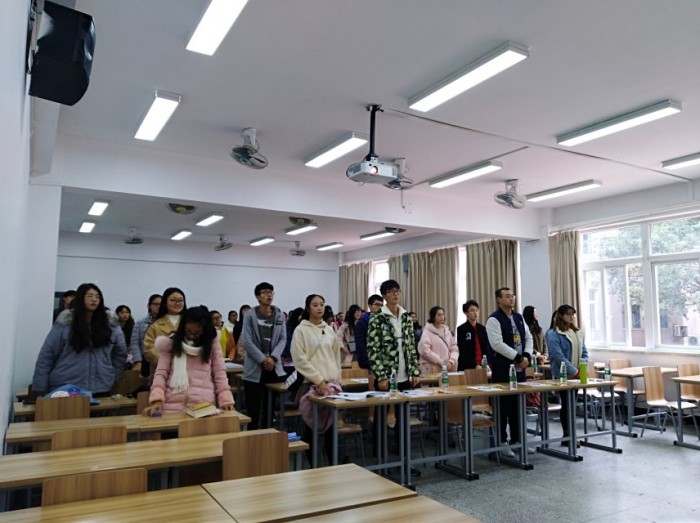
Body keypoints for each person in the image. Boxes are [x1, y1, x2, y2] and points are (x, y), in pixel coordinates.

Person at [367, 280, 421, 477]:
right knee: (381, 418)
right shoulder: (377, 318)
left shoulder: (405, 316)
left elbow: (410, 346)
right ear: (384, 295)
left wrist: (414, 371)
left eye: (397, 291)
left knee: (403, 418)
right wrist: (380, 376)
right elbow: (373, 349)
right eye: (391, 291)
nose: (395, 294)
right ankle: (381, 460)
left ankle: (404, 458)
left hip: (404, 374)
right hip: (386, 376)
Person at [33, 283, 126, 395]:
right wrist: (39, 387)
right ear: (80, 298)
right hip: (66, 386)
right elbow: (47, 355)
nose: (94, 299)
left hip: (101, 386)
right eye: (89, 296)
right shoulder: (65, 324)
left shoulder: (110, 325)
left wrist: (114, 377)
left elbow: (120, 353)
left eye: (97, 297)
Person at [145, 305, 234, 415]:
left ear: (204, 330)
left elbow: (220, 373)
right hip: (172, 405)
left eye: (197, 332)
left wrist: (226, 400)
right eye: (188, 331)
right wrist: (157, 399)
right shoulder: (171, 344)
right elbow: (161, 374)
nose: (192, 335)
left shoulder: (211, 344)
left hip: (202, 406)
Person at [291, 294, 342, 463]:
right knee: (311, 427)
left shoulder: (329, 329)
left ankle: (333, 464)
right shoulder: (301, 330)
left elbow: (335, 357)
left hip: (331, 385)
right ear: (308, 308)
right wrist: (319, 380)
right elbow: (300, 359)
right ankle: (313, 465)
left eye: (321, 304)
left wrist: (337, 380)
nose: (319, 308)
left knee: (331, 428)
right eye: (315, 305)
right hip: (312, 385)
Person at [485, 287, 534, 458]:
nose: (511, 298)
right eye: (507, 296)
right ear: (498, 300)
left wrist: (527, 355)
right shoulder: (494, 319)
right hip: (503, 369)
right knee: (503, 407)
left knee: (517, 407)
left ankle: (517, 440)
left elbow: (528, 337)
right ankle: (501, 442)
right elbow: (497, 344)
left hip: (519, 370)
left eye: (512, 295)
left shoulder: (519, 317)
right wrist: (518, 357)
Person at [241, 282, 286, 430]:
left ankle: (268, 438)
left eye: (271, 292)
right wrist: (263, 360)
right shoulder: (249, 315)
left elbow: (282, 339)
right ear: (257, 296)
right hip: (254, 368)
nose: (269, 295)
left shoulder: (279, 314)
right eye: (265, 292)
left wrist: (272, 358)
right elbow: (247, 341)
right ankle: (252, 438)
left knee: (270, 409)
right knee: (253, 410)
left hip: (273, 368)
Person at [546, 304, 587, 447]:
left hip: (577, 374)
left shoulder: (576, 332)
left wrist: (582, 367)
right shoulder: (553, 333)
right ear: (561, 316)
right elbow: (558, 356)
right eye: (568, 314)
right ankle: (568, 435)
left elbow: (584, 351)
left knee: (572, 404)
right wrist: (574, 371)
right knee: (567, 405)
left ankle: (570, 436)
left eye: (573, 314)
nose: (571, 317)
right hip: (563, 375)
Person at [143, 287, 186, 380]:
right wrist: (168, 362)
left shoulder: (189, 323)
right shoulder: (155, 325)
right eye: (173, 300)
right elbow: (148, 350)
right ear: (165, 303)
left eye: (180, 300)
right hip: (161, 372)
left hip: (187, 371)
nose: (177, 303)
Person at [418, 306, 459, 376]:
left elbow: (454, 347)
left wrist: (451, 361)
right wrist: (441, 362)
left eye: (443, 314)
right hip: (432, 368)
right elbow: (425, 350)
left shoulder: (447, 331)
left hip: (448, 367)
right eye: (439, 315)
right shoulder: (427, 331)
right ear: (433, 316)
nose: (442, 317)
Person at [129, 293, 161, 377]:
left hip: (162, 360)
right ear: (149, 306)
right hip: (145, 360)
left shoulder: (167, 323)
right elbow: (134, 343)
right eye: (155, 304)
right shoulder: (140, 323)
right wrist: (138, 361)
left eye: (161, 304)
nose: (158, 306)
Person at [456, 300, 491, 370]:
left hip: (482, 365)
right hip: (467, 367)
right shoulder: (461, 329)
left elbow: (486, 348)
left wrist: (487, 364)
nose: (475, 313)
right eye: (472, 310)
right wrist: (474, 365)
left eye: (477, 310)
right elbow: (463, 351)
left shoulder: (482, 328)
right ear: (466, 313)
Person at [353, 294, 383, 370]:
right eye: (377, 304)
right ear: (370, 306)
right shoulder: (362, 322)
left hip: (383, 360)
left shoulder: (384, 321)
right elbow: (360, 345)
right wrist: (368, 363)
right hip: (369, 362)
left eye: (381, 305)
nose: (380, 307)